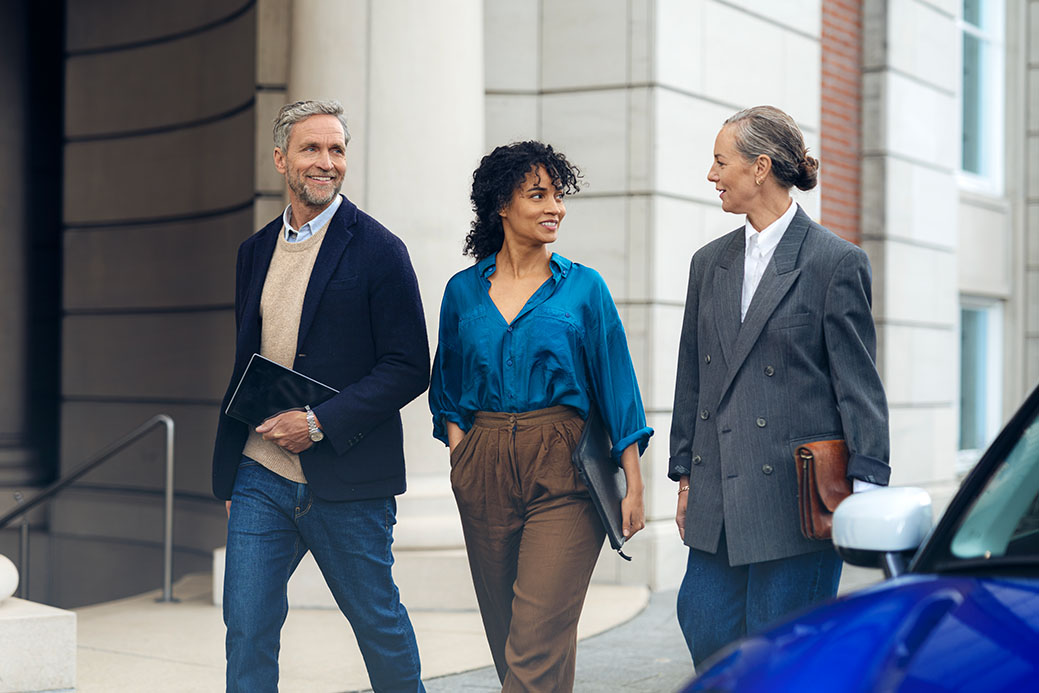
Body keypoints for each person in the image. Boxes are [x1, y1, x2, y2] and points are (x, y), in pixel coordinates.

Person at [211, 99, 429, 693]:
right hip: (260, 476)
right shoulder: (253, 252)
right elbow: (250, 362)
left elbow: (411, 366)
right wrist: (231, 472)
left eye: (336, 149)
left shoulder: (380, 250)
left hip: (348, 480)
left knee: (378, 625)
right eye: (311, 148)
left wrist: (318, 422)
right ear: (281, 159)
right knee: (247, 626)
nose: (326, 162)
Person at [669, 105, 890, 666]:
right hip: (718, 494)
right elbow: (693, 378)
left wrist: (866, 488)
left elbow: (858, 386)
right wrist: (685, 477)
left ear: (760, 167)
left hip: (797, 503)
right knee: (704, 622)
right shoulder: (707, 263)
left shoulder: (835, 263)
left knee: (783, 656)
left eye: (721, 162)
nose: (712, 174)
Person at [428, 141, 653, 692]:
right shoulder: (462, 292)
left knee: (534, 643)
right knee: (514, 639)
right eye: (539, 195)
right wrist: (464, 453)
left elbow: (617, 384)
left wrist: (633, 481)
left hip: (565, 465)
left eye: (558, 195)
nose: (556, 207)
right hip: (482, 463)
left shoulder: (584, 288)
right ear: (502, 206)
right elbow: (447, 387)